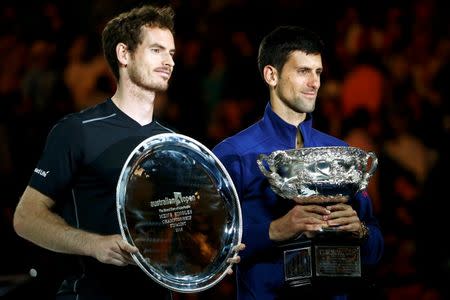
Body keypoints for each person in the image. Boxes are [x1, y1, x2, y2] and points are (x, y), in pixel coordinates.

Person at [13, 4, 242, 300]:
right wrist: (94, 245)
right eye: (156, 50)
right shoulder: (77, 130)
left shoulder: (173, 141)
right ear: (124, 54)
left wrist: (210, 253)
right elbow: (25, 218)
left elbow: (178, 225)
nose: (169, 61)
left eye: (171, 53)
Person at [212, 26, 384, 300]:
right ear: (272, 75)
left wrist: (360, 232)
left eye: (318, 72)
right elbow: (208, 244)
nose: (315, 82)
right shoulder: (234, 154)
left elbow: (376, 249)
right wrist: (275, 230)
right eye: (303, 71)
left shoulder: (342, 153)